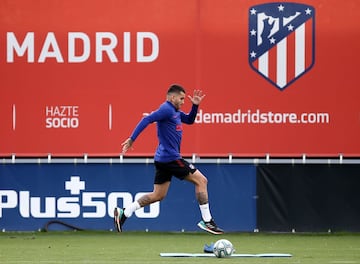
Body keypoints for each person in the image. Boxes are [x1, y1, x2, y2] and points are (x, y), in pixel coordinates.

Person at [114, 84, 224, 235]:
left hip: (162, 159)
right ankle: (207, 221)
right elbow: (147, 120)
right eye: (181, 98)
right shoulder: (166, 109)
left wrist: (195, 106)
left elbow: (190, 120)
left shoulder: (175, 112)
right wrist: (132, 139)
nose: (183, 101)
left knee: (158, 195)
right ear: (172, 97)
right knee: (201, 181)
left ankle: (124, 212)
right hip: (170, 158)